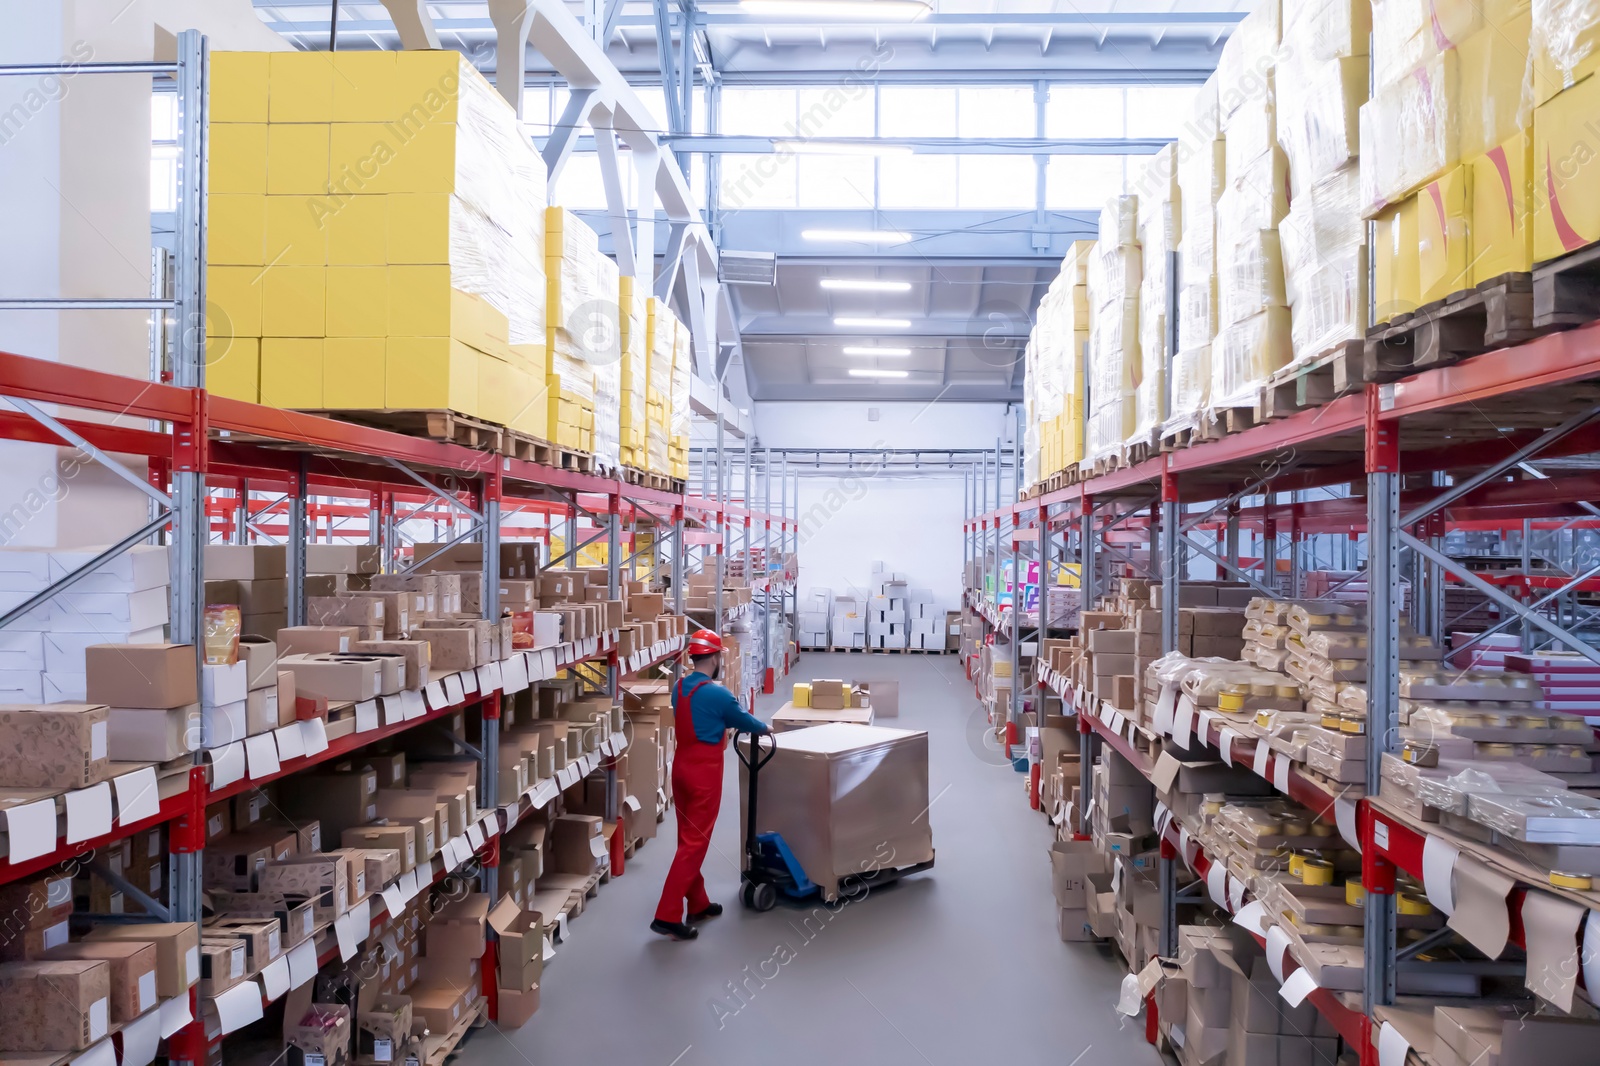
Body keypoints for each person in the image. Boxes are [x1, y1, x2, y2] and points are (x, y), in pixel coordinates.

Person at [652, 628, 771, 941]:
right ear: (716, 657)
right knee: (695, 843)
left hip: (681, 767)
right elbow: (744, 720)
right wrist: (764, 727)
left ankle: (698, 902)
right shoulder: (717, 694)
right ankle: (666, 915)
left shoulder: (679, 688)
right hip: (704, 771)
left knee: (686, 839)